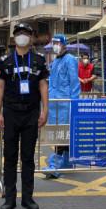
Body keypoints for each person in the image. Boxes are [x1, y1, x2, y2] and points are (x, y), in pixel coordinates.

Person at [0, 23, 49, 209]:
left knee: (28, 157)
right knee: (9, 157)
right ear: (14, 37)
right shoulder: (5, 60)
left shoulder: (39, 60)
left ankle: (27, 198)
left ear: (31, 37)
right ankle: (10, 199)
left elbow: (43, 85)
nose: (22, 36)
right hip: (10, 113)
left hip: (31, 113)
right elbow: (0, 86)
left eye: (26, 33)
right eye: (19, 33)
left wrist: (45, 110)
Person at [44, 34, 81, 178]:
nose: (55, 45)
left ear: (64, 44)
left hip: (65, 103)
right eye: (53, 42)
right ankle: (67, 162)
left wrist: (74, 103)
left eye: (57, 42)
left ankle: (55, 165)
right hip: (54, 103)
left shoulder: (70, 59)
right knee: (60, 134)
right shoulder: (55, 61)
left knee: (61, 134)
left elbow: (74, 83)